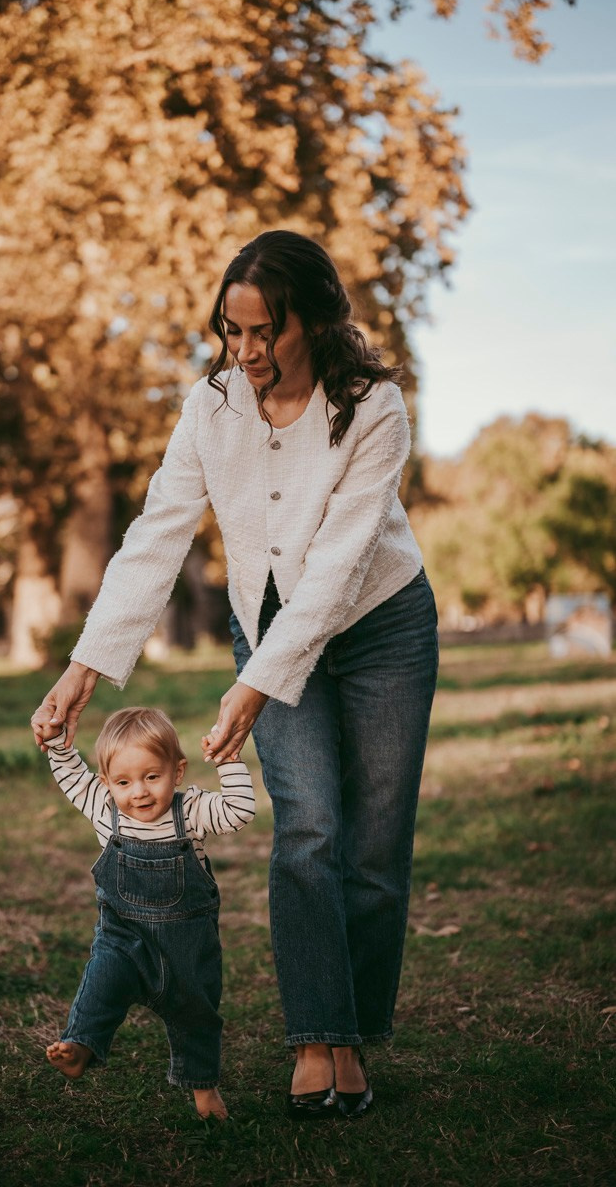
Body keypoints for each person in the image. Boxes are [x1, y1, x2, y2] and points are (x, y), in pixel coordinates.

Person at [31, 230, 439, 1121]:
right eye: (232, 332)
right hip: (266, 626)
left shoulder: (374, 408)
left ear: (317, 322)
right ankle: (312, 1037)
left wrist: (255, 685)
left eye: (266, 333)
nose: (246, 353)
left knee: (371, 852)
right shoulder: (211, 407)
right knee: (309, 831)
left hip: (381, 629)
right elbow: (159, 533)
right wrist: (86, 667)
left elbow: (337, 568)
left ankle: (352, 1038)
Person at [39, 705, 255, 1120]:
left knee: (197, 1015)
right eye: (124, 781)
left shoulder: (190, 810)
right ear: (106, 784)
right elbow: (69, 774)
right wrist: (55, 740)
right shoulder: (104, 807)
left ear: (177, 772)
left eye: (151, 777)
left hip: (186, 947)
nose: (138, 791)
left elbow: (239, 812)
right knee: (100, 984)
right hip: (124, 938)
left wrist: (229, 762)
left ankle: (204, 1091)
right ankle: (80, 1045)